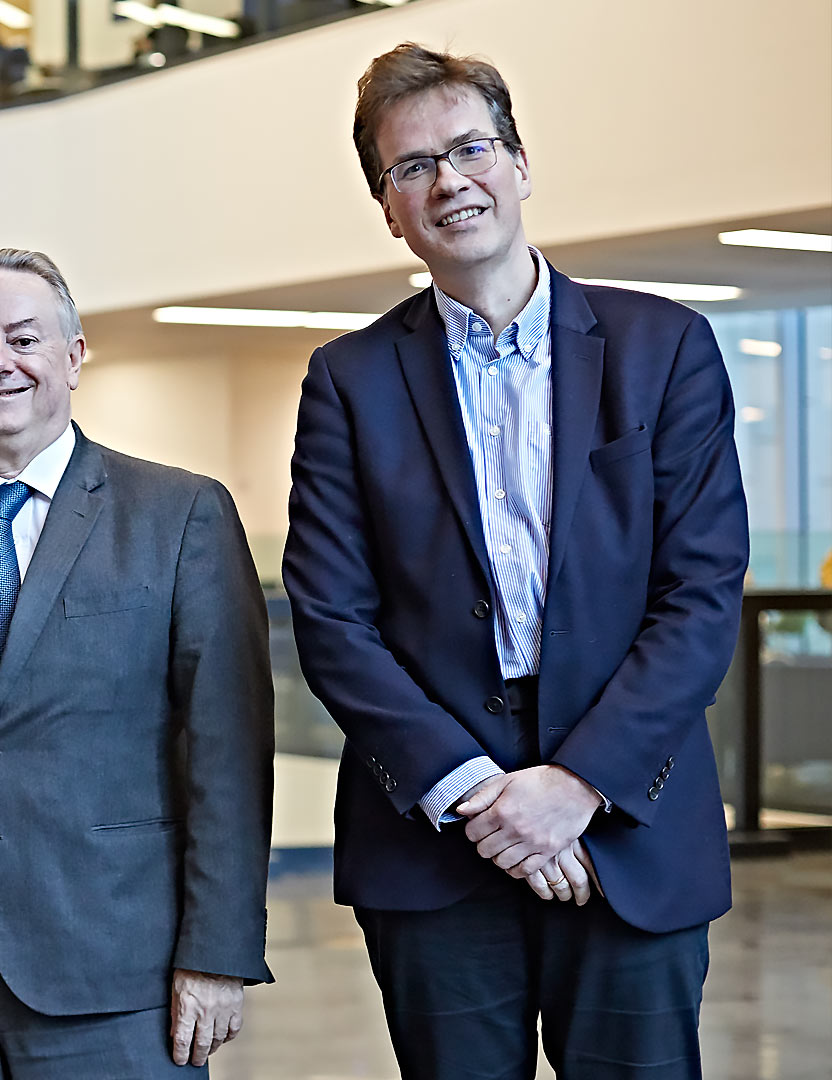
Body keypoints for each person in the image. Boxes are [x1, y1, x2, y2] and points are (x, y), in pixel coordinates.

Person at [282, 44, 749, 1080]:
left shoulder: (662, 349)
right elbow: (331, 619)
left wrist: (576, 786)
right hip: (435, 841)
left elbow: (701, 595)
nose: (450, 181)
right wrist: (482, 797)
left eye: (471, 149)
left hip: (630, 823)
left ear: (520, 164)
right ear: (389, 207)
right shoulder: (348, 382)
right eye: (413, 167)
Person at [0, 248, 274, 1078]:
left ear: (75, 355)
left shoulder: (179, 516)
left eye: (24, 339)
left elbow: (228, 757)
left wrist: (219, 952)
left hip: (117, 964)